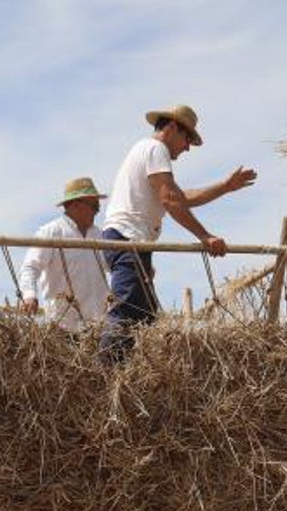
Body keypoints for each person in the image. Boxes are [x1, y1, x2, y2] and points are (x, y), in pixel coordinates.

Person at [99, 104, 256, 359]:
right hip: (128, 240)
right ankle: (106, 378)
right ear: (172, 127)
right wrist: (205, 236)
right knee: (125, 313)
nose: (187, 147)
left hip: (131, 241)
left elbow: (180, 197)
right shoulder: (155, 148)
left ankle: (124, 375)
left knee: (145, 316)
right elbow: (171, 200)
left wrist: (225, 187)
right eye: (187, 138)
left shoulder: (146, 151)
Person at [17, 177, 110, 331]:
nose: (97, 211)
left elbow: (114, 265)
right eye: (94, 206)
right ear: (75, 205)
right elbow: (31, 267)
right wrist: (29, 295)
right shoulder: (52, 232)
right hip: (62, 327)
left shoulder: (100, 236)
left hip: (97, 330)